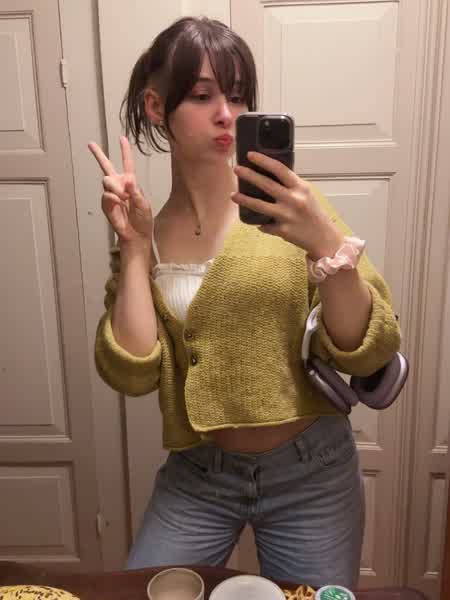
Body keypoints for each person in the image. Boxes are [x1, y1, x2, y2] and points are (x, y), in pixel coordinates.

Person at [89, 16, 401, 588]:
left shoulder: (296, 209)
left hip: (313, 470)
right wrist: (133, 247)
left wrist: (325, 244)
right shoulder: (146, 229)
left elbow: (369, 349)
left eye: (237, 97)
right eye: (202, 95)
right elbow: (131, 373)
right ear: (157, 107)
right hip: (199, 473)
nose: (226, 114)